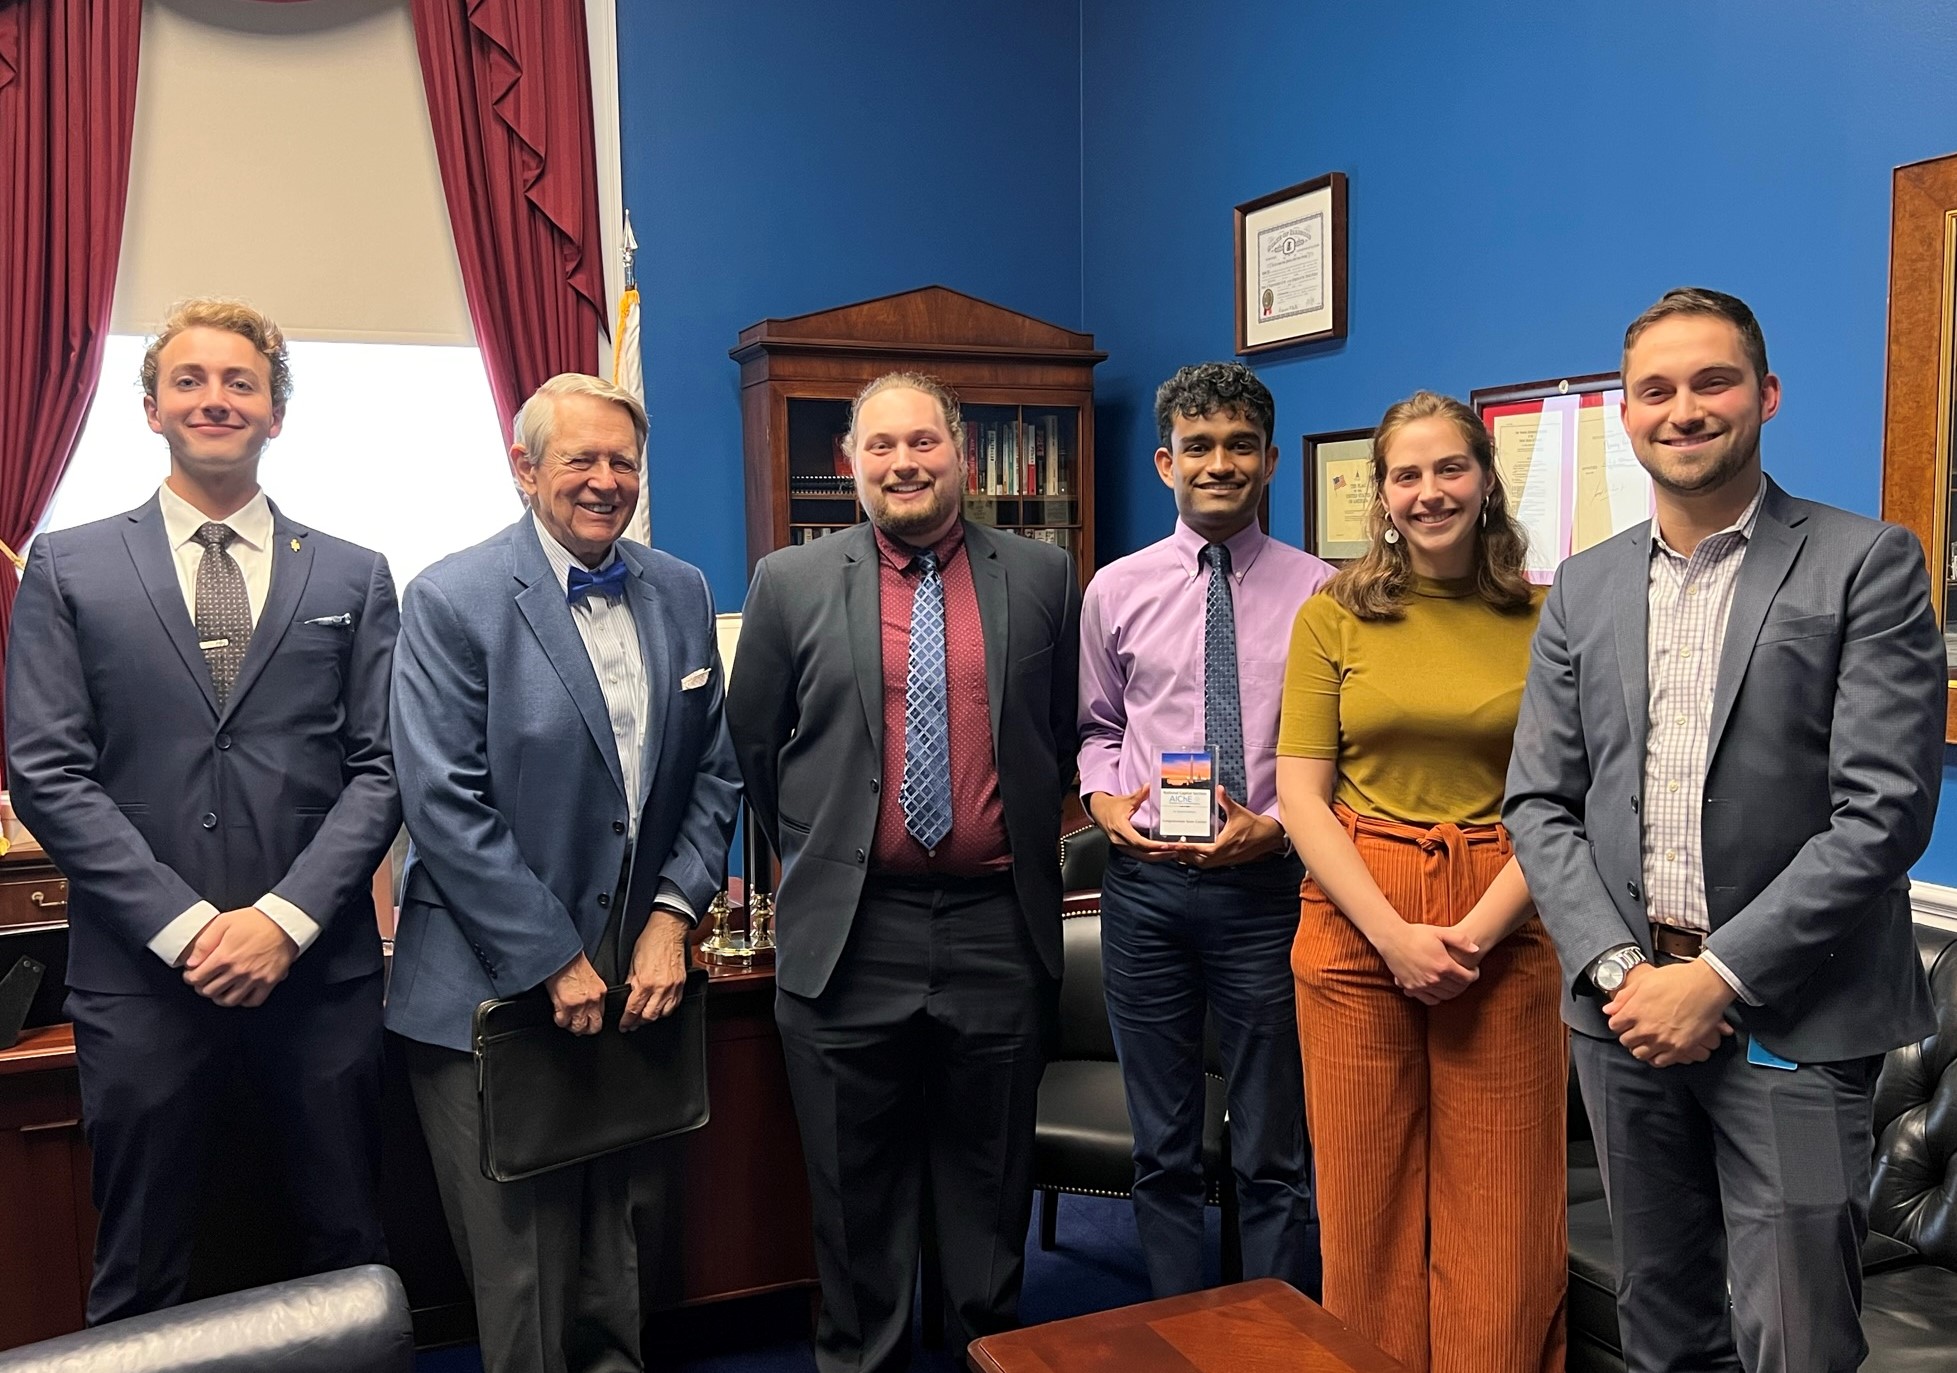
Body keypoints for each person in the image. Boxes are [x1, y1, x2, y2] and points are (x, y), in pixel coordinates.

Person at [1506, 288, 1943, 1373]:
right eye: (1656, 389)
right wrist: (1620, 971)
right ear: (1626, 413)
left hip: (1790, 1015)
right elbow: (1539, 801)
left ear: (1765, 394)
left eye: (1713, 382)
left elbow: (1882, 810)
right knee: (1663, 1320)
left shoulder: (1865, 561)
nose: (1683, 409)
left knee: (1795, 1334)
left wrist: (1716, 977)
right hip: (1621, 1020)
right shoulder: (1582, 586)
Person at [5, 298, 400, 1322]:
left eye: (240, 382)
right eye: (189, 379)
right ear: (150, 408)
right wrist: (188, 930)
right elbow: (47, 769)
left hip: (320, 978)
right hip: (140, 983)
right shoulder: (67, 564)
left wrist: (281, 920)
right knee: (143, 1260)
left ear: (276, 413)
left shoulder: (355, 572)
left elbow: (383, 764)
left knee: (344, 1246)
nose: (214, 398)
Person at [727, 371, 1080, 1373]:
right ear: (850, 462)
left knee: (989, 1181)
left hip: (995, 928)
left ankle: (988, 1353)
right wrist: (828, 841)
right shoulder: (789, 582)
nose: (903, 463)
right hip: (851, 933)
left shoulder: (1043, 574)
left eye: (921, 441)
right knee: (852, 1191)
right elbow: (754, 744)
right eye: (880, 447)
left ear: (960, 452)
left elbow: (1055, 733)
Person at [387, 373, 740, 1373]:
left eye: (621, 460)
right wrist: (551, 955)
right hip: (490, 992)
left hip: (637, 980)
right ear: (523, 467)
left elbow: (713, 771)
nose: (602, 479)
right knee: (527, 1271)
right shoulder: (452, 597)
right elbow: (444, 801)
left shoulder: (680, 588)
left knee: (623, 1248)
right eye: (578, 458)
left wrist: (673, 915)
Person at [1277, 391, 1565, 1373]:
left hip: (1509, 913)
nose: (1429, 490)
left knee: (1506, 1212)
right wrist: (1393, 934)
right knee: (1365, 1211)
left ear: (1485, 479)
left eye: (1450, 468)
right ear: (1381, 492)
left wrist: (1475, 934)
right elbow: (1300, 793)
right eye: (1407, 473)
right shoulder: (1333, 614)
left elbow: (1568, 796)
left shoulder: (1545, 612)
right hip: (1360, 915)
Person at [1076, 362, 1329, 1296]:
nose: (1216, 464)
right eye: (1197, 447)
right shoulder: (1114, 589)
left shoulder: (1323, 594)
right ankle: (1183, 1329)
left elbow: (1338, 755)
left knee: (1274, 1148)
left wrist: (1275, 830)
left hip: (1270, 894)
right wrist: (1105, 803)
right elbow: (1098, 727)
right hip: (1145, 895)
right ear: (1163, 462)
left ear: (1267, 460)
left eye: (1236, 447)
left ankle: (1272, 1339)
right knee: (1164, 1146)